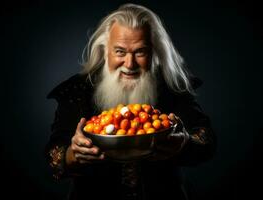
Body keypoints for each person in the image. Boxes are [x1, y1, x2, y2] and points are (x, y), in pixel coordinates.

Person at [45, 3, 216, 200]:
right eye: (120, 51)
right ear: (104, 50)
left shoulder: (172, 88)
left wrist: (184, 142)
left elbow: (206, 139)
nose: (129, 63)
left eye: (140, 52)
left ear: (154, 52)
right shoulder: (76, 90)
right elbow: (53, 155)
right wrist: (73, 155)